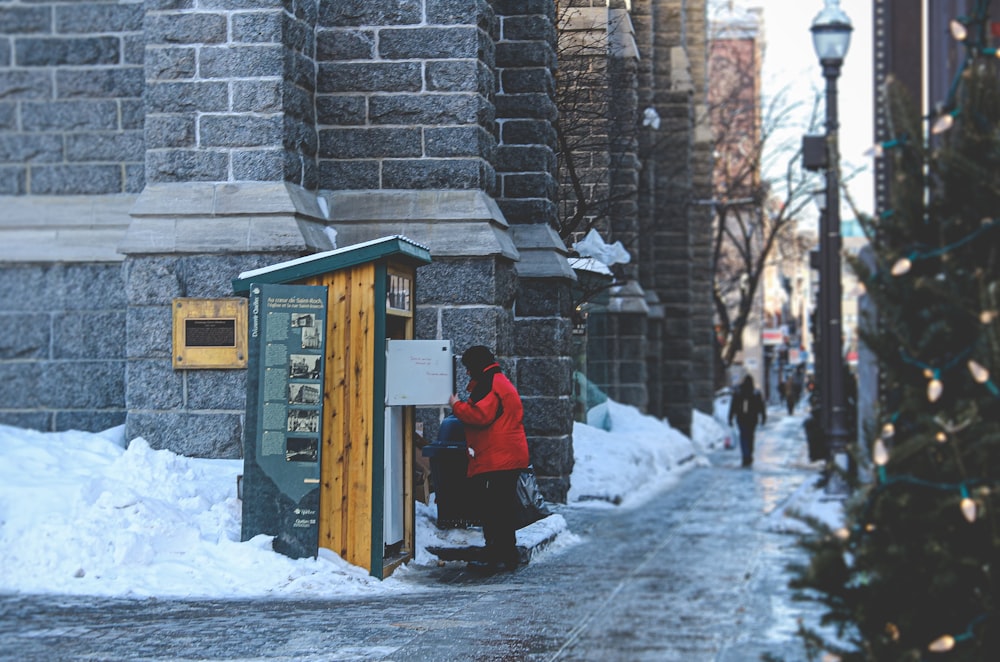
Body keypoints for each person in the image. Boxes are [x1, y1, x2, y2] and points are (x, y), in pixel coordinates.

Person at [448, 346, 530, 570]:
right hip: (508, 454)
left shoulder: (489, 383)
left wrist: (456, 406)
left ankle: (496, 554)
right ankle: (507, 554)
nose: (466, 373)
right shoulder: (499, 380)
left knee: (494, 508)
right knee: (502, 506)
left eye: (468, 368)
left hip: (498, 456)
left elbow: (480, 415)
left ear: (476, 365)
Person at [728, 374, 766, 467]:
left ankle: (745, 455)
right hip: (752, 419)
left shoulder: (738, 393)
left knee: (743, 436)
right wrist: (763, 416)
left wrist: (730, 417)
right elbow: (761, 406)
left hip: (741, 418)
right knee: (750, 436)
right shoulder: (755, 393)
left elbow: (733, 406)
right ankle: (749, 453)